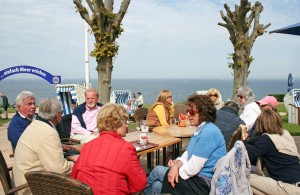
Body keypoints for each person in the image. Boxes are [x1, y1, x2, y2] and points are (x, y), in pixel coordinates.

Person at [145, 94, 226, 195]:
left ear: (203, 113)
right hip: (196, 179)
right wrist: (175, 166)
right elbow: (187, 153)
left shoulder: (208, 133)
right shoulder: (200, 130)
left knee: (157, 171)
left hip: (202, 184)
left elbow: (192, 169)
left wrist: (175, 171)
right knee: (157, 186)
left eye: (191, 112)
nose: (187, 115)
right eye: (187, 111)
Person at [72, 103, 147, 194]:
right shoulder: (126, 149)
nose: (127, 126)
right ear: (114, 125)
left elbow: (74, 175)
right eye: (125, 122)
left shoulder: (88, 146)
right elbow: (140, 184)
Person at [13, 98, 77, 195]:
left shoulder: (36, 124)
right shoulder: (48, 132)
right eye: (61, 112)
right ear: (57, 115)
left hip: (24, 179)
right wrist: (80, 163)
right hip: (32, 187)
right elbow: (60, 169)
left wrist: (59, 147)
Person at [242, 109, 300, 194]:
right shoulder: (285, 134)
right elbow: (258, 140)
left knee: (244, 177)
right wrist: (248, 140)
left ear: (261, 123)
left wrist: (243, 139)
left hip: (288, 187)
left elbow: (248, 156)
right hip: (296, 184)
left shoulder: (266, 140)